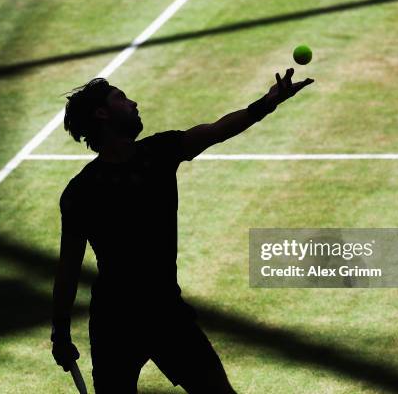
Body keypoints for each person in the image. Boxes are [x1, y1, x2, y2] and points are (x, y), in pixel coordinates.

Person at [51, 69, 314, 393]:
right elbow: (68, 268)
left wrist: (267, 103)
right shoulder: (81, 192)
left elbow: (217, 130)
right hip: (115, 325)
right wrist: (60, 333)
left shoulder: (159, 152)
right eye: (121, 98)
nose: (133, 103)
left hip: (166, 314)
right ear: (102, 114)